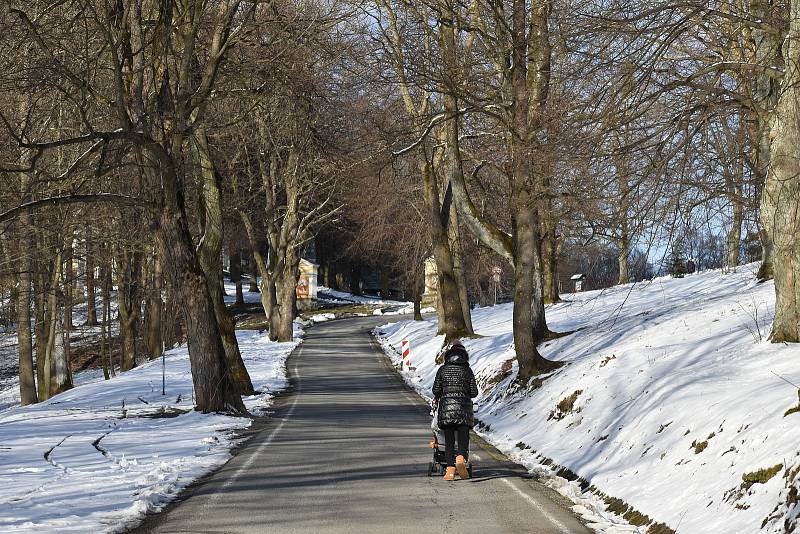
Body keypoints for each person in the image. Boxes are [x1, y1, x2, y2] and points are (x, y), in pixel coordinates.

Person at [432, 341, 479, 481]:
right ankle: (461, 458)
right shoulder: (467, 370)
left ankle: (450, 470)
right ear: (464, 356)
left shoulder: (442, 369)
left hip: (447, 410)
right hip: (463, 410)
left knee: (449, 442)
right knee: (463, 440)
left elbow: (436, 390)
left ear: (448, 356)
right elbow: (474, 392)